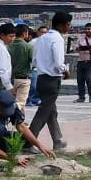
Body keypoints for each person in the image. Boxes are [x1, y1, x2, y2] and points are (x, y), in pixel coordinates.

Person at [28, 12, 70, 152]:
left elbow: (34, 60)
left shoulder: (41, 38)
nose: (68, 28)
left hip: (41, 77)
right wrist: (65, 70)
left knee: (51, 111)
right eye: (67, 25)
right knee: (44, 112)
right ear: (60, 25)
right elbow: (58, 62)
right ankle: (28, 141)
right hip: (52, 79)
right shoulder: (57, 39)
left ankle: (57, 140)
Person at [9, 23, 33, 107]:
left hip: (10, 78)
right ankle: (17, 118)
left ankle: (16, 119)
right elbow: (33, 61)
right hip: (23, 78)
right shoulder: (28, 46)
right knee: (20, 103)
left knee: (12, 101)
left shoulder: (9, 45)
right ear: (24, 33)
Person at [27, 25, 47, 106]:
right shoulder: (33, 42)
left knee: (41, 86)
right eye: (42, 32)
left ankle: (36, 99)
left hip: (44, 68)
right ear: (38, 33)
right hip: (34, 67)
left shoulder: (48, 42)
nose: (43, 34)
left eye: (45, 32)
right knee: (33, 86)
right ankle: (29, 100)